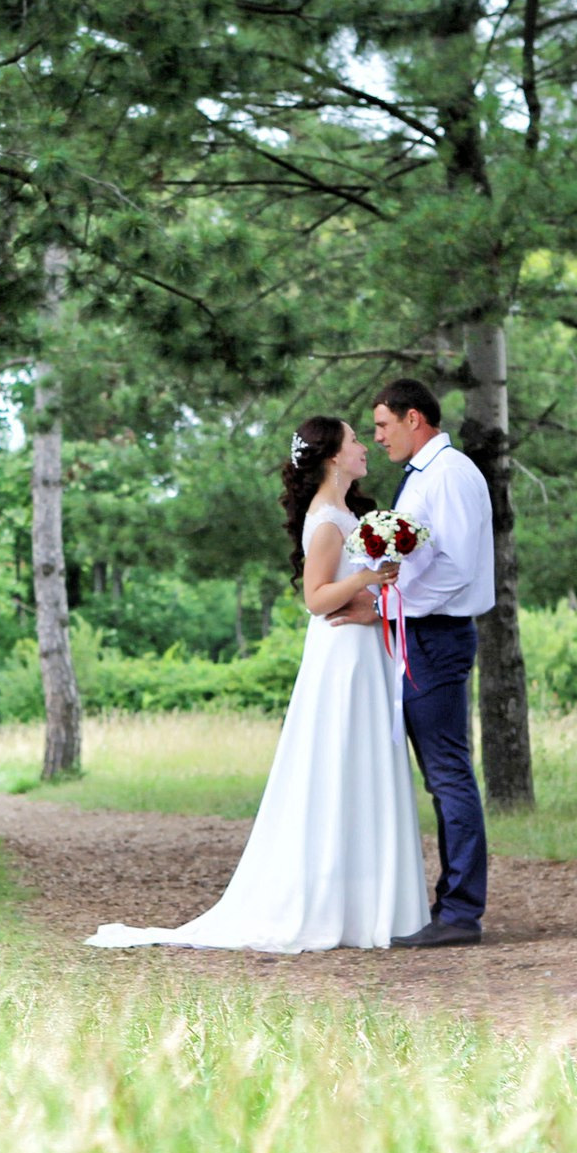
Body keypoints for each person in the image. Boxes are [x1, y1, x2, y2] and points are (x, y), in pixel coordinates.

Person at [86, 416, 429, 953]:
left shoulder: (348, 513)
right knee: (340, 763)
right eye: (355, 439)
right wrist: (367, 578)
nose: (365, 446)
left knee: (362, 763)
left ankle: (367, 905)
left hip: (363, 649)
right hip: (340, 653)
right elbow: (316, 599)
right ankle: (340, 905)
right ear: (333, 456)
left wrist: (378, 586)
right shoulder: (327, 521)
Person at [337, 378, 492, 948]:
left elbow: (456, 568)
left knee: (448, 773)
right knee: (437, 773)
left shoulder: (449, 474)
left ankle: (461, 912)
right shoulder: (425, 475)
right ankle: (442, 903)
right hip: (418, 633)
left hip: (436, 637)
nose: (378, 436)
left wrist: (382, 606)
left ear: (413, 419)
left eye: (383, 425)